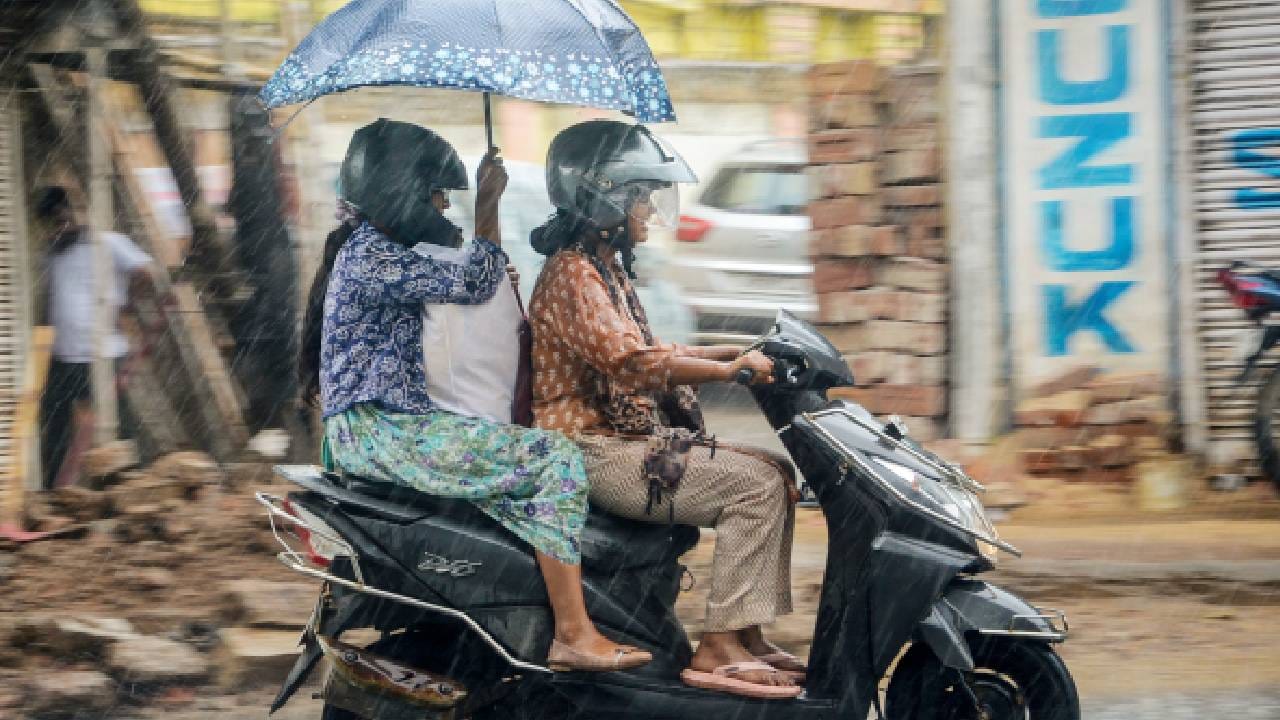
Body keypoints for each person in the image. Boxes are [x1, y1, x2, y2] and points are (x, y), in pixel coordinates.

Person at [298, 119, 649, 673]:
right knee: (552, 458)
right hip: (381, 433)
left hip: (390, 427)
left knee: (518, 452)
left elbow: (473, 279)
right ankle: (573, 632)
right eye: (439, 195)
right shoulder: (372, 256)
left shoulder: (376, 252)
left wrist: (490, 256)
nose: (443, 208)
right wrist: (489, 201)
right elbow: (473, 281)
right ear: (403, 190)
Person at [527, 120, 804, 700]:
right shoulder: (574, 274)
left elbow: (652, 350)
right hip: (593, 451)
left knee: (776, 471)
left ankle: (745, 633)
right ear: (605, 196)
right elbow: (629, 362)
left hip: (625, 443)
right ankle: (719, 647)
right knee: (752, 486)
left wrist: (720, 352)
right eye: (641, 195)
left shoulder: (605, 270)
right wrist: (727, 372)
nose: (651, 209)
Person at [35, 185, 170, 490]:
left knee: (116, 428)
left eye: (63, 218)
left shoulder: (109, 244)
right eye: (53, 223)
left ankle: (122, 492)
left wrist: (127, 300)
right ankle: (55, 493)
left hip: (104, 355)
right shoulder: (52, 253)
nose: (60, 226)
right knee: (55, 430)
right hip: (62, 357)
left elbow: (148, 273)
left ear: (76, 213)